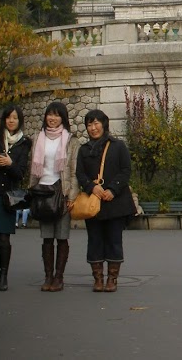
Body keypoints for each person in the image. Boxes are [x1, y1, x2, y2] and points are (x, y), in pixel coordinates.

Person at [75, 109, 137, 292]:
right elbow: (80, 173)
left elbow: (126, 170)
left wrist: (113, 189)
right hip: (94, 202)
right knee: (94, 240)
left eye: (96, 123)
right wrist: (91, 187)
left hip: (114, 203)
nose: (93, 128)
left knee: (114, 240)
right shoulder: (84, 150)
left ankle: (112, 279)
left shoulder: (118, 146)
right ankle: (97, 278)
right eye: (89, 124)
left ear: (104, 124)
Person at [28, 101, 84, 292]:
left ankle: (59, 277)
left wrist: (72, 196)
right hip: (42, 191)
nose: (52, 118)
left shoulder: (71, 141)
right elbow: (32, 169)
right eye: (49, 114)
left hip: (62, 191)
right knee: (46, 237)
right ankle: (48, 276)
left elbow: (75, 170)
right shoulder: (38, 138)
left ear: (63, 118)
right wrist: (31, 189)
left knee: (61, 236)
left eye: (56, 115)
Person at [0, 105, 32, 292]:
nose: (11, 121)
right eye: (8, 117)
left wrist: (10, 164)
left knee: (4, 239)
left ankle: (3, 275)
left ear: (20, 121)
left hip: (8, 197)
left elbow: (20, 174)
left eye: (15, 118)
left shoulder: (24, 143)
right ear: (3, 120)